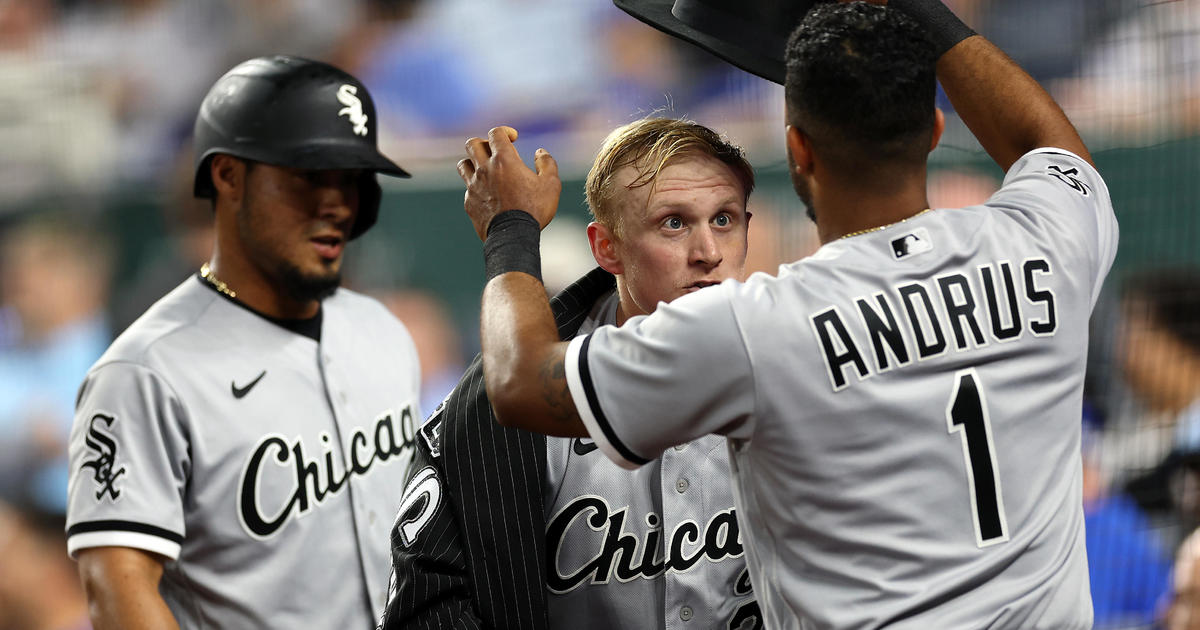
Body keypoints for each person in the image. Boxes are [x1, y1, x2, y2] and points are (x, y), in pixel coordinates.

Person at [456, 1, 1117, 628]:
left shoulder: (759, 325)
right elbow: (1048, 144)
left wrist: (509, 224)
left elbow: (518, 385)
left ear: (798, 151)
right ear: (937, 131)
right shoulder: (1047, 239)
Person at [65, 55, 422, 630]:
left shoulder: (381, 330)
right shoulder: (145, 371)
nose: (337, 203)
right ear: (228, 176)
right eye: (311, 176)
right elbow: (116, 591)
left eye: (351, 178)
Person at [383, 116, 761, 629]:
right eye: (673, 222)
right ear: (607, 247)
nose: (708, 253)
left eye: (724, 220)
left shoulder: (796, 361)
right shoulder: (482, 414)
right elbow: (428, 606)